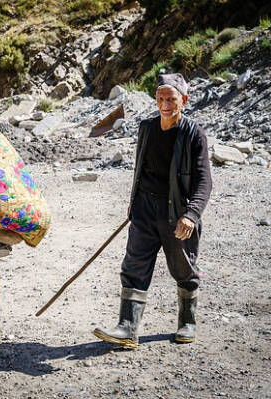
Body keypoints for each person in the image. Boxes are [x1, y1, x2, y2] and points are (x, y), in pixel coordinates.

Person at [93, 73, 212, 348]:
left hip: (178, 213)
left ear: (184, 99)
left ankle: (187, 322)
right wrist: (134, 206)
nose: (165, 104)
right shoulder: (147, 128)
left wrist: (192, 214)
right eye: (160, 98)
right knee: (134, 265)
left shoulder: (194, 133)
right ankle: (127, 328)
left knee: (183, 267)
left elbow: (205, 180)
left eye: (171, 99)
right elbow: (141, 168)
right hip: (145, 209)